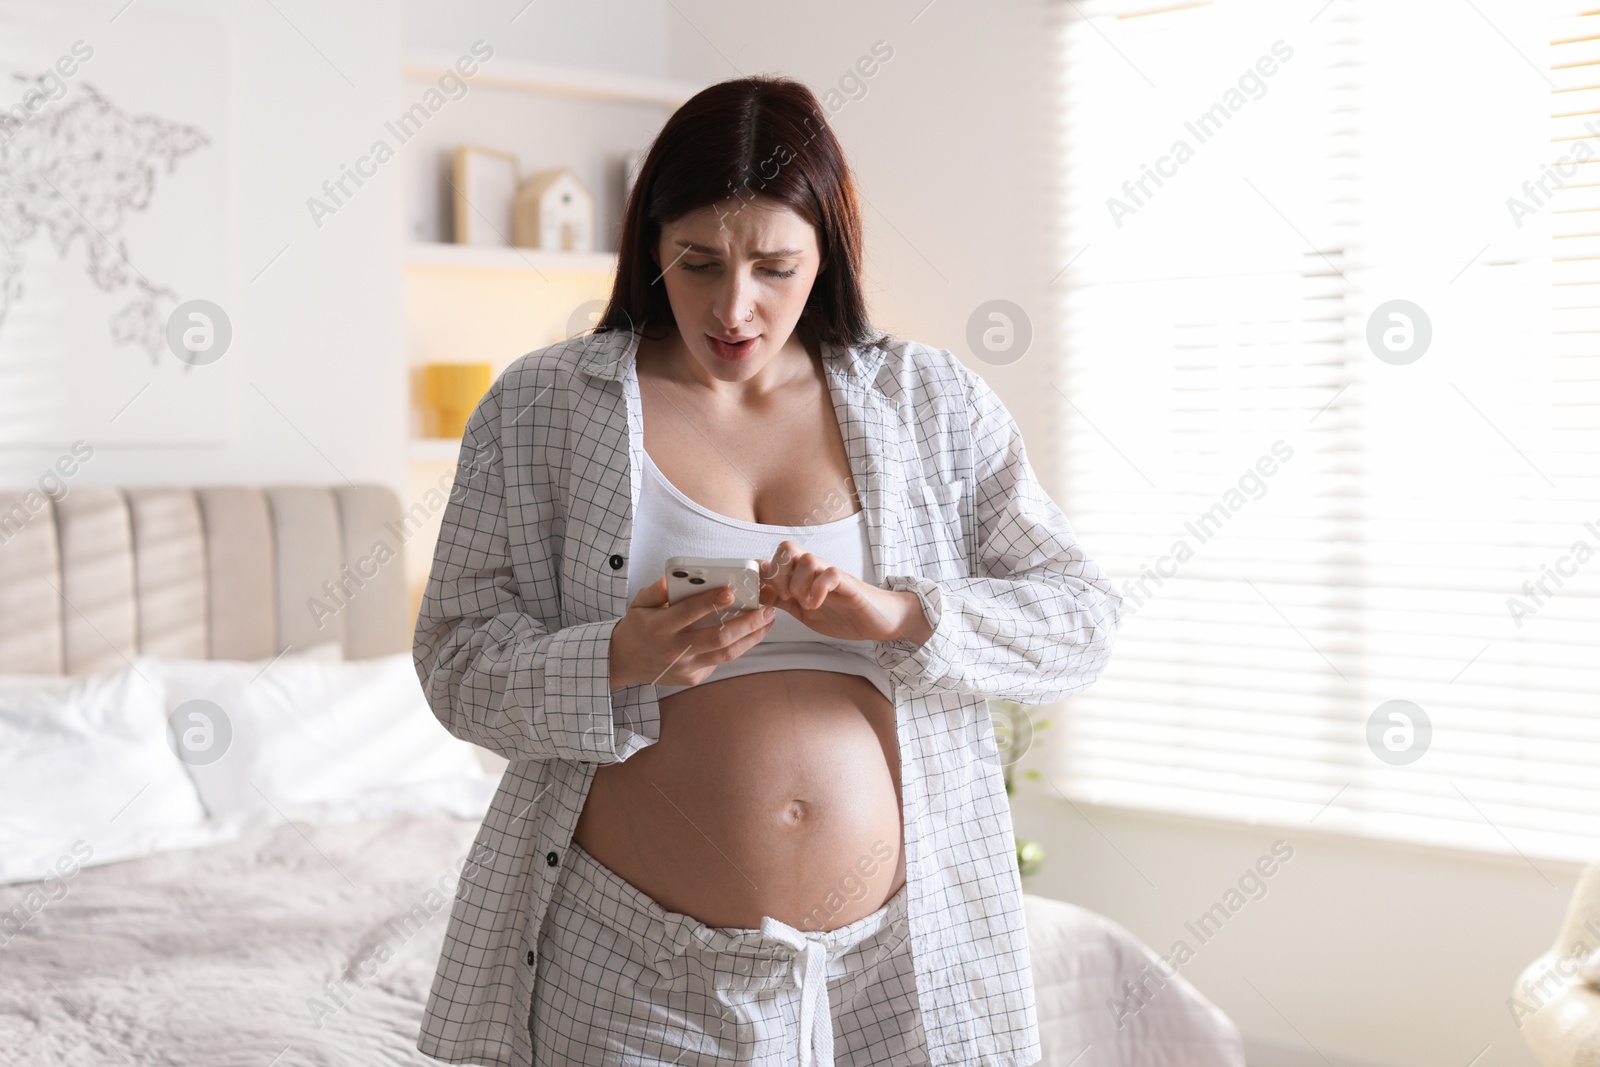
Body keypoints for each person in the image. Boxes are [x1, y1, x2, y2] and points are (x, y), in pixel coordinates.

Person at [412, 74, 1122, 1067]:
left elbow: (1080, 619)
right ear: (651, 243)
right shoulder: (543, 408)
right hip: (633, 958)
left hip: (901, 958)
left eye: (774, 266)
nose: (733, 305)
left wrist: (901, 615)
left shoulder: (927, 402)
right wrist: (618, 654)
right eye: (698, 261)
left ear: (826, 253)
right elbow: (455, 661)